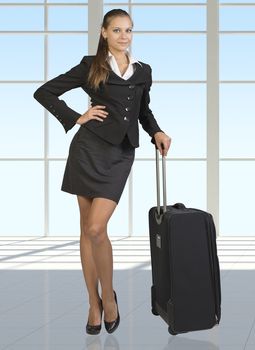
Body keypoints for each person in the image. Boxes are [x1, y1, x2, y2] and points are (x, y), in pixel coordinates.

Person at [33, 9, 172, 335]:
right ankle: (93, 304)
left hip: (120, 154)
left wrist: (157, 132)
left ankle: (108, 297)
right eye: (117, 30)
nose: (124, 36)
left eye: (128, 30)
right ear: (104, 33)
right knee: (86, 228)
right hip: (87, 150)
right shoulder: (90, 66)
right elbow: (45, 92)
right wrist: (75, 117)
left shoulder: (143, 71)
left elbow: (143, 111)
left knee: (97, 228)